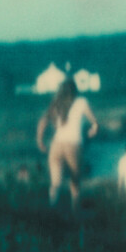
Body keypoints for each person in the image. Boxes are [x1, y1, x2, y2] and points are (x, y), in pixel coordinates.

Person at [36, 77, 98, 206]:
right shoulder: (81, 102)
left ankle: (52, 207)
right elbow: (93, 120)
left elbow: (43, 122)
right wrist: (94, 128)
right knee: (75, 181)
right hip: (73, 144)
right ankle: (75, 210)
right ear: (75, 90)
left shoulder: (56, 103)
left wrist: (40, 140)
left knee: (55, 183)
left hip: (56, 144)